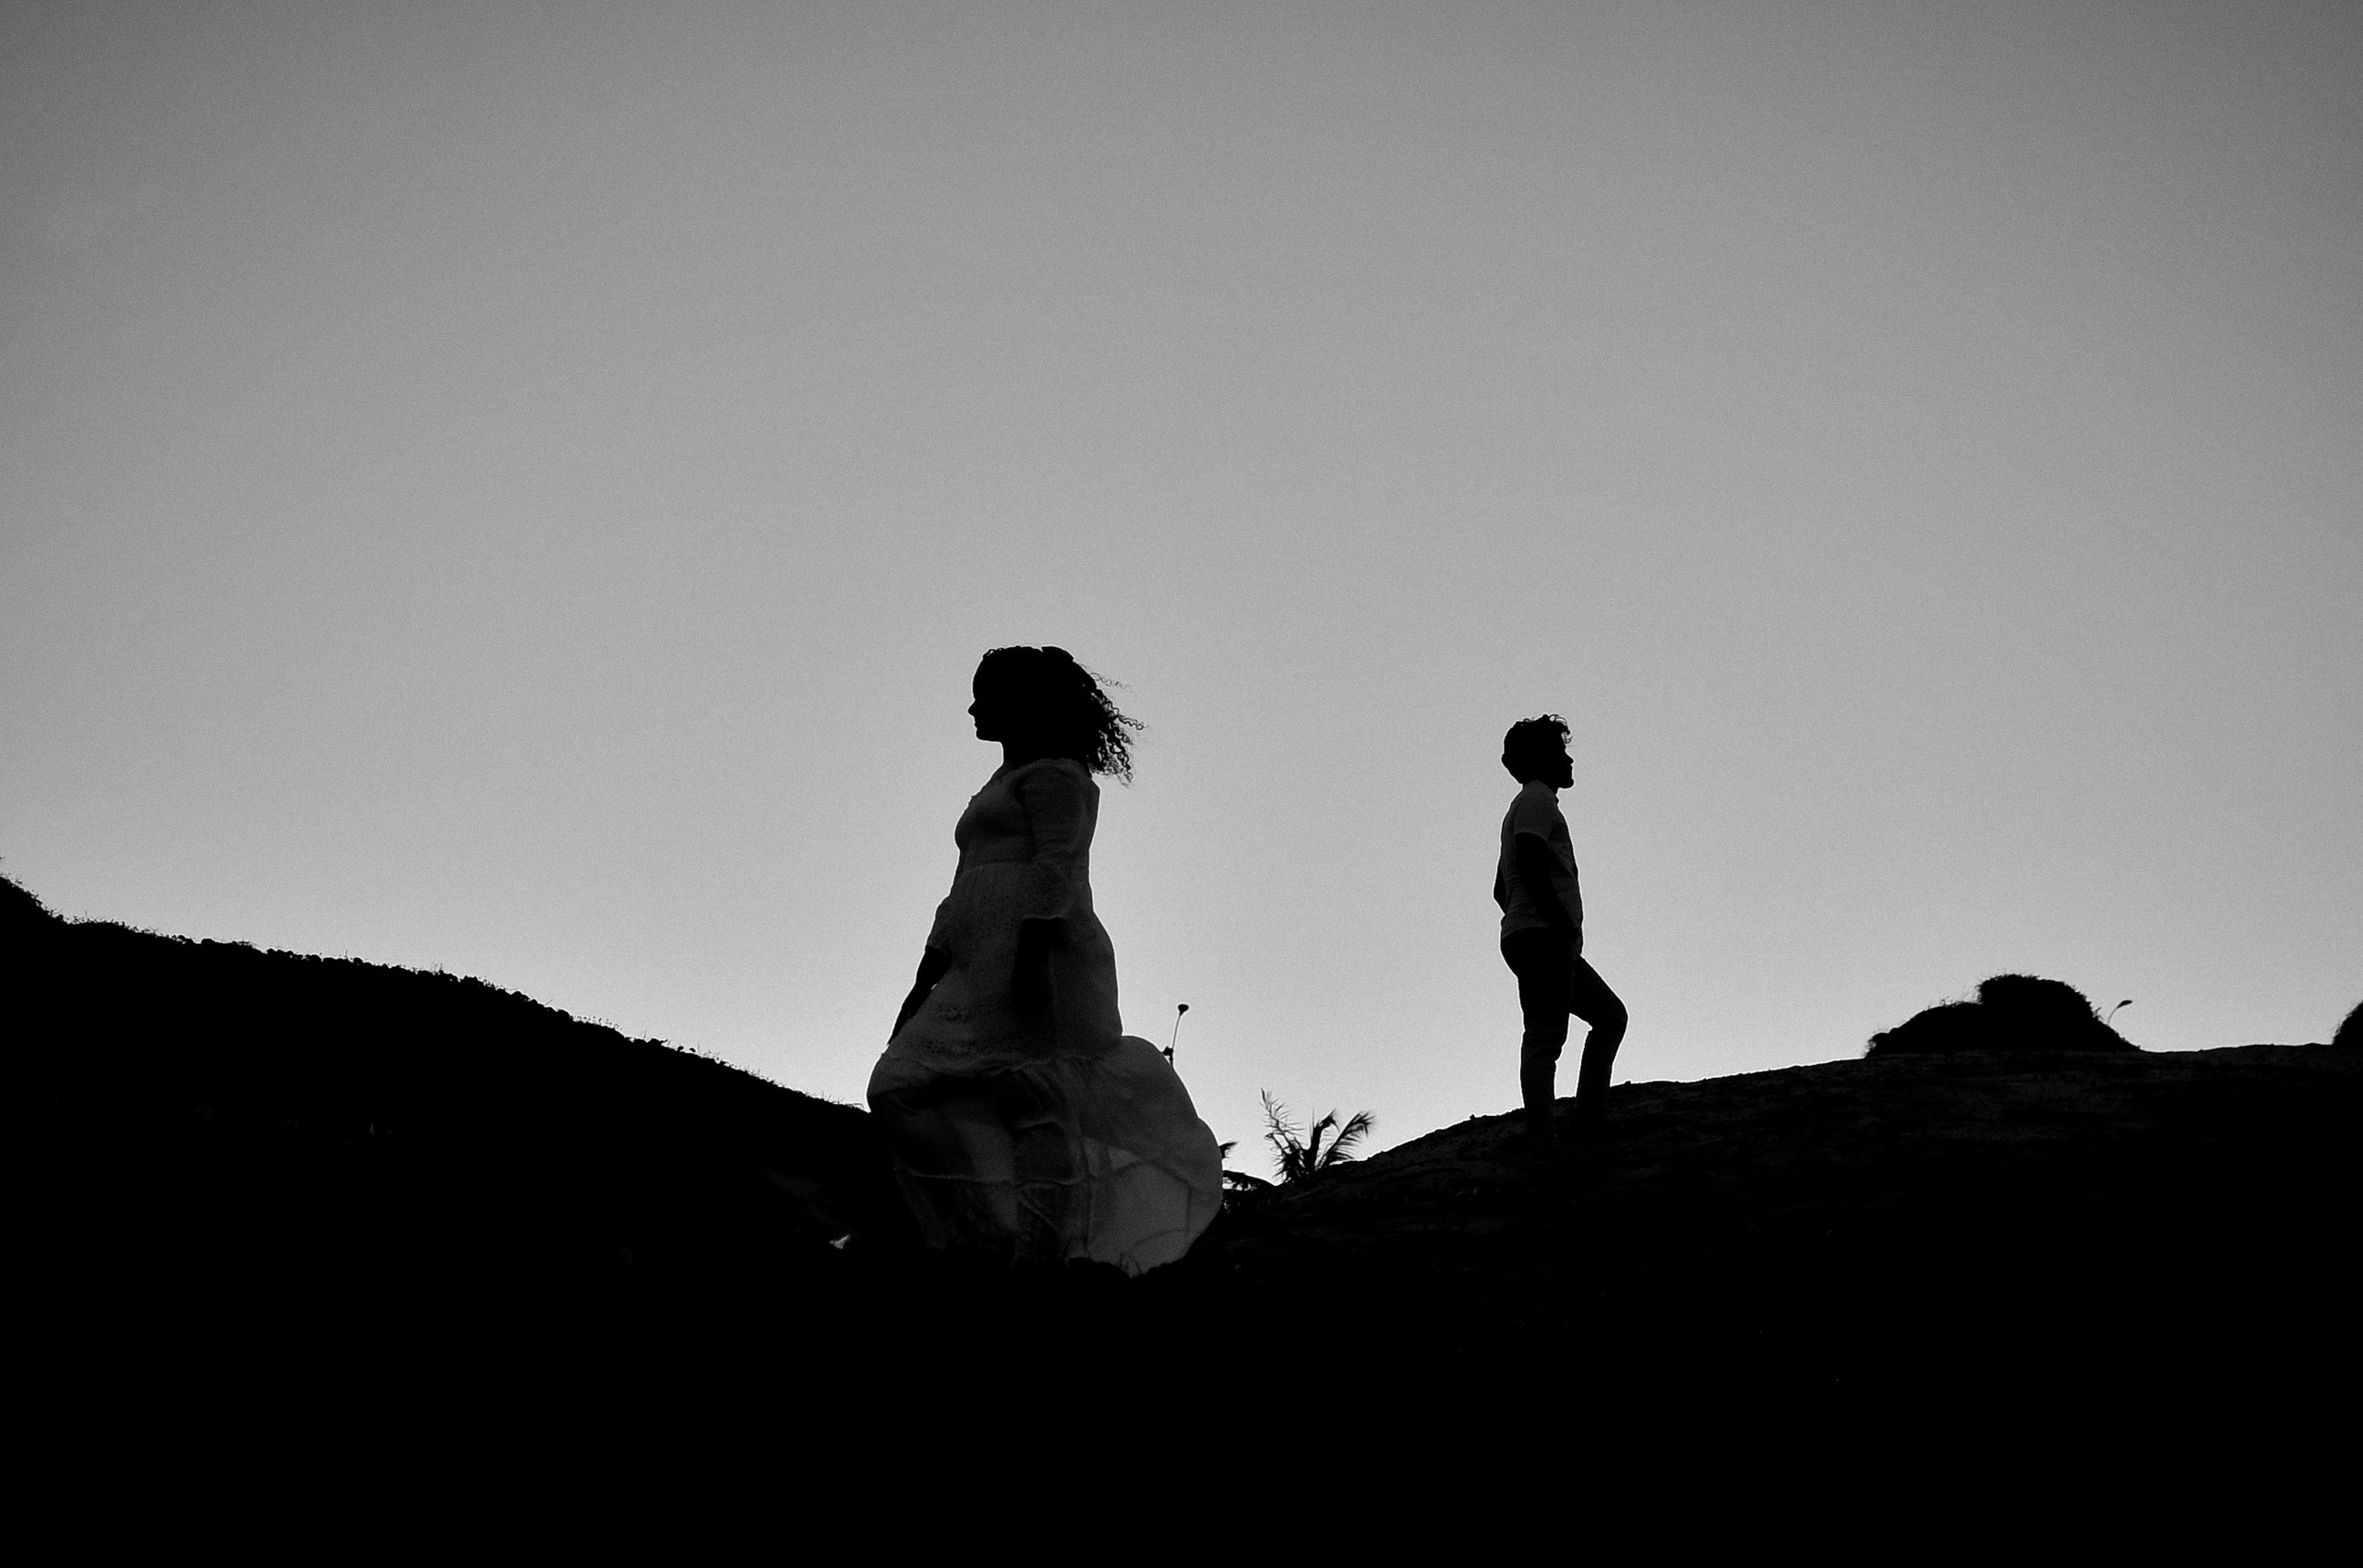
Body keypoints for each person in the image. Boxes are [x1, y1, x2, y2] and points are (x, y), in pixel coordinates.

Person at [867, 646, 1223, 1271]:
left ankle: (1039, 1254)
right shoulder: (997, 785)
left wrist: (1031, 959)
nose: (973, 708)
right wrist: (925, 978)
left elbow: (1060, 868)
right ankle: (981, 1226)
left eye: (985, 695)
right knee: (896, 1084)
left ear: (1022, 704)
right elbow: (962, 886)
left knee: (1030, 1096)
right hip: (973, 960)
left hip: (1041, 954)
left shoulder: (1058, 777)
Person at [1494, 714, 1628, 1147]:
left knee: (1607, 1017)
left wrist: (1531, 923)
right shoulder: (1537, 801)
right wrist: (1557, 920)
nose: (1569, 761)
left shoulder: (1525, 806)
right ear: (1541, 760)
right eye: (1560, 752)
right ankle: (1547, 1133)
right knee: (1546, 1037)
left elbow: (1501, 887)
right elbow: (1530, 858)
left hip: (1534, 937)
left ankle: (1582, 1118)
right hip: (1545, 937)